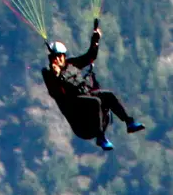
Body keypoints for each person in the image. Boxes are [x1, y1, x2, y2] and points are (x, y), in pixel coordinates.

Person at [41, 19, 145, 150]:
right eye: (54, 57)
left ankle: (129, 122)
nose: (58, 59)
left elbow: (90, 56)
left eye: (60, 56)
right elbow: (55, 92)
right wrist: (57, 76)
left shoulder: (72, 64)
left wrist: (95, 41)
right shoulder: (49, 74)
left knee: (108, 95)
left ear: (64, 56)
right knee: (95, 101)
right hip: (78, 117)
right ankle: (100, 137)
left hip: (88, 103)